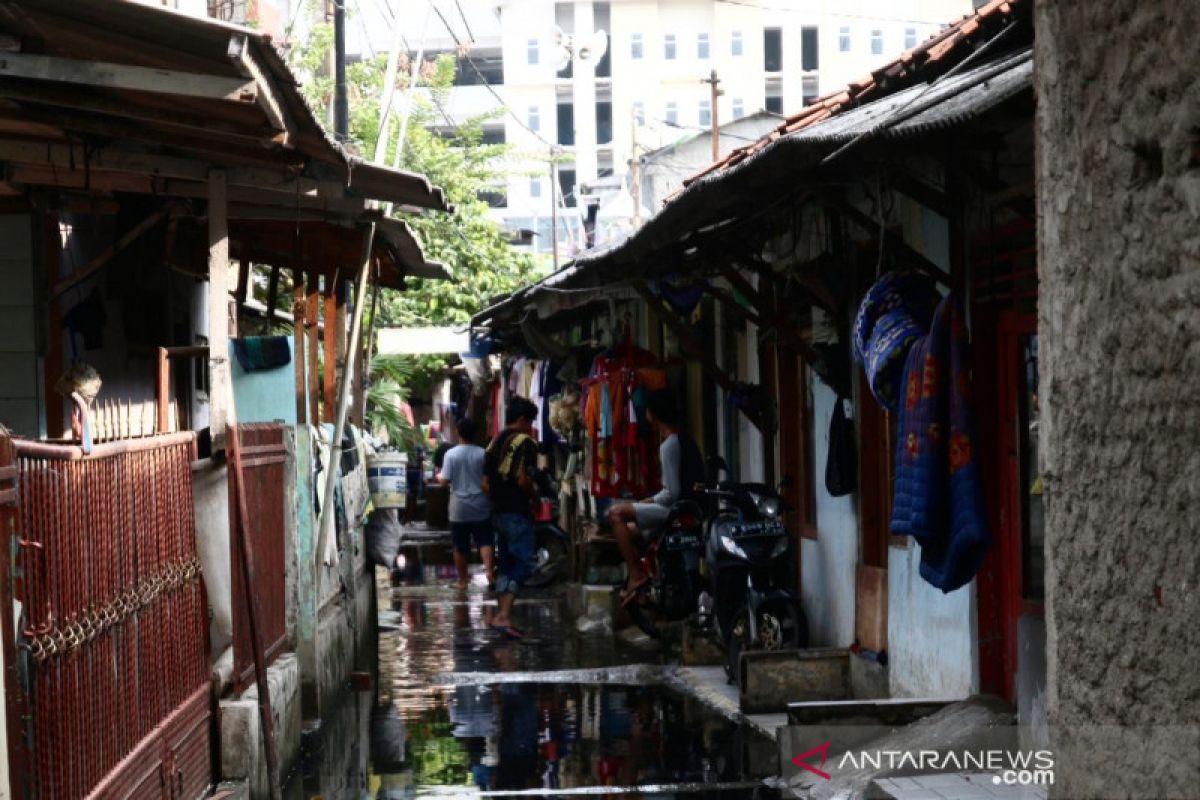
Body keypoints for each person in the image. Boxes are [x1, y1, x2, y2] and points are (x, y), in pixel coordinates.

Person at [609, 389, 705, 607]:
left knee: (616, 514)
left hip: (677, 510)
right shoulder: (684, 439)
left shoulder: (669, 445)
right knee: (631, 531)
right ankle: (650, 583)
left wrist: (643, 503)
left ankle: (636, 575)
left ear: (653, 414)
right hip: (689, 507)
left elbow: (671, 494)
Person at [484, 396, 540, 639]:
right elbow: (522, 479)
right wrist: (534, 498)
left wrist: (499, 498)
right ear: (522, 420)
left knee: (506, 564)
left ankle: (503, 615)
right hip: (517, 511)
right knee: (526, 562)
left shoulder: (494, 443)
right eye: (530, 422)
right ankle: (503, 615)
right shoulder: (524, 442)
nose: (531, 427)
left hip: (498, 511)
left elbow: (485, 483)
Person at [436, 417, 495, 591]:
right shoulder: (483, 453)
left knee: (460, 545)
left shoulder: (451, 454)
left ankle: (462, 581)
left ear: (458, 433)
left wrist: (439, 476)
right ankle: (490, 573)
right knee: (485, 540)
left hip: (459, 508)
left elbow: (444, 480)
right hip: (480, 505)